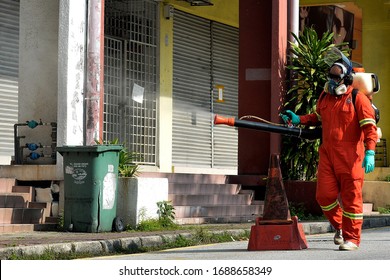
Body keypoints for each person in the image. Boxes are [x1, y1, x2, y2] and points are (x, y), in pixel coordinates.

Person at [280, 60, 378, 251]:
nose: (332, 81)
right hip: (328, 155)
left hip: (352, 157)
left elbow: (369, 128)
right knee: (324, 196)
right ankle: (341, 226)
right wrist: (299, 119)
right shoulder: (325, 97)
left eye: (336, 77)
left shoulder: (358, 99)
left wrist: (371, 152)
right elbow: (317, 118)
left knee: (352, 199)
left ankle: (352, 239)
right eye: (330, 76)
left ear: (346, 78)